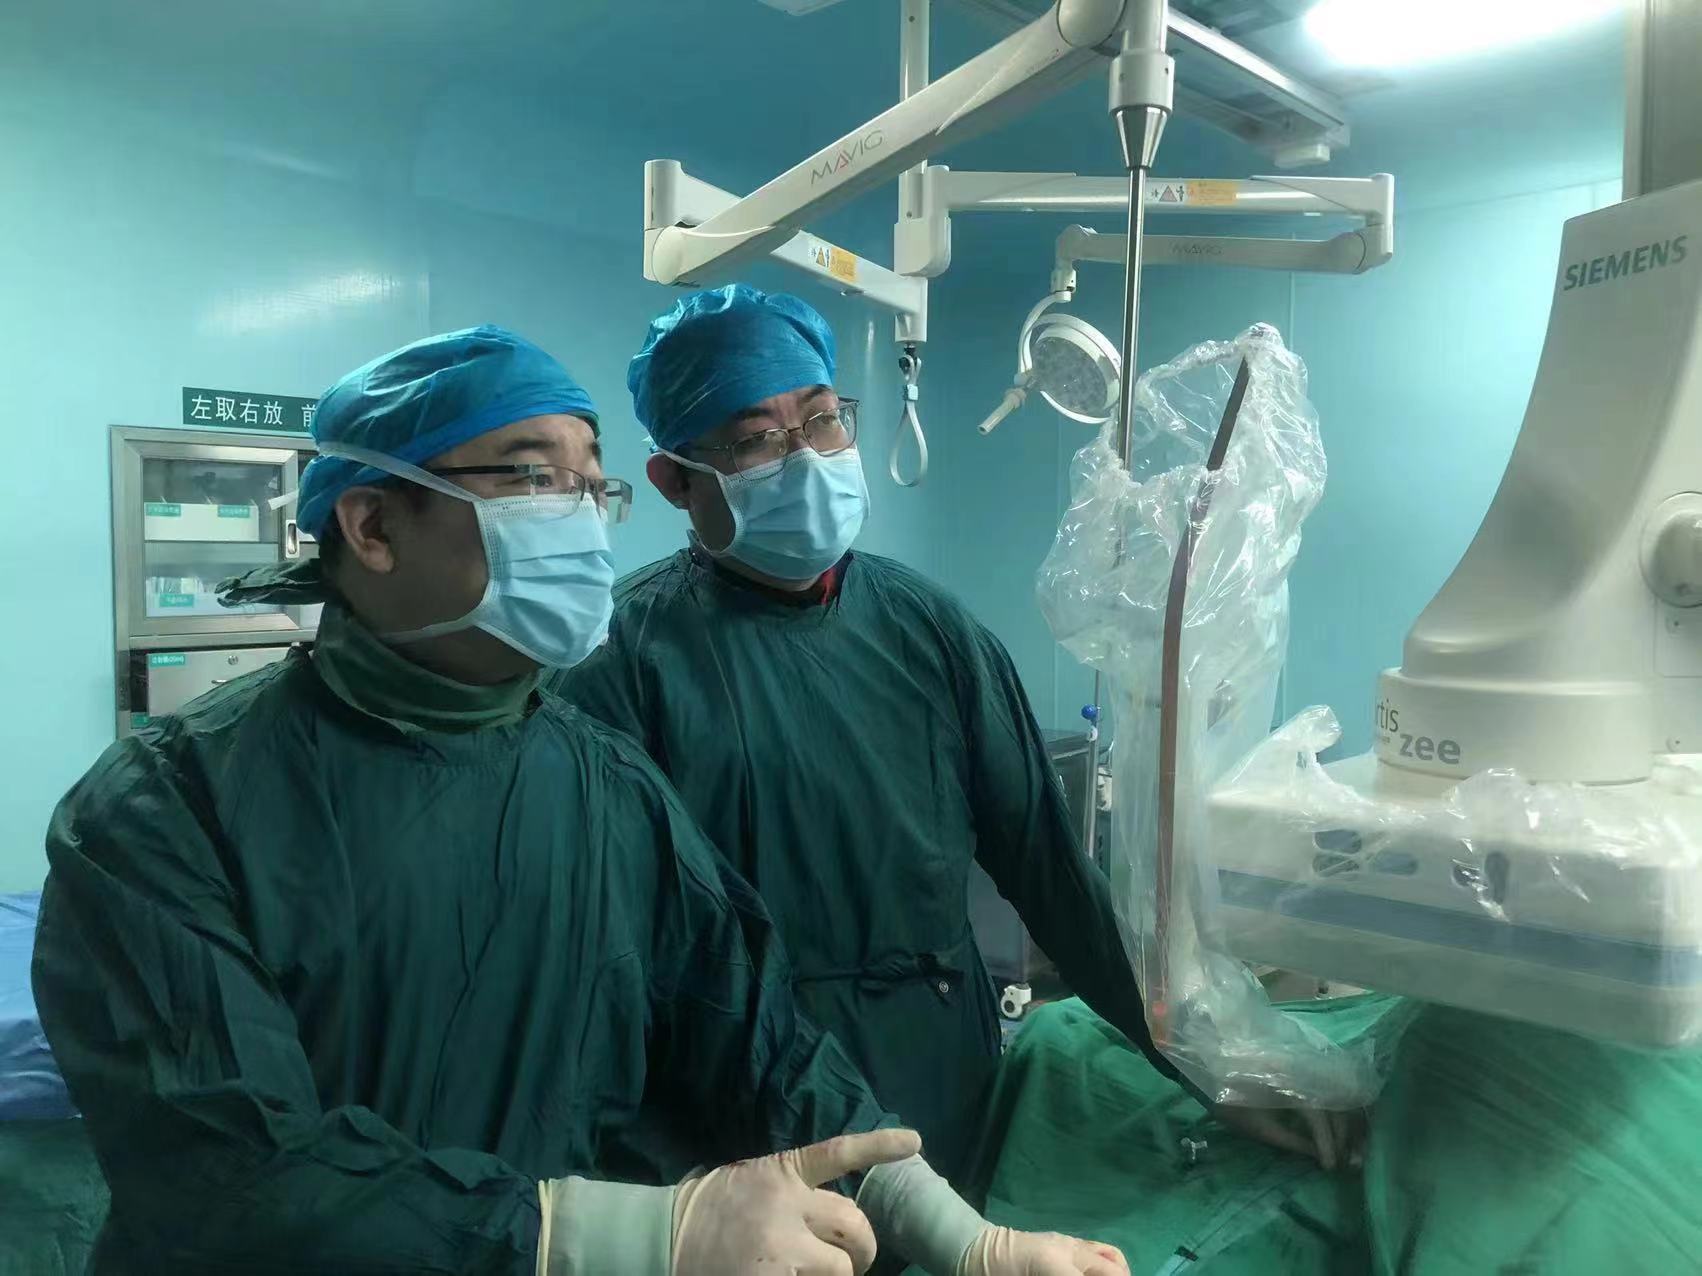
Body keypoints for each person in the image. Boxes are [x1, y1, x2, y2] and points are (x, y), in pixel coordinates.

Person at [32, 325, 1129, 1276]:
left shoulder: (602, 780)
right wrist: (613, 1235)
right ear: (371, 527)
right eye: (531, 477)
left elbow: (758, 1039)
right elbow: (226, 1171)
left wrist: (958, 1235)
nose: (582, 519)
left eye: (589, 483)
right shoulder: (164, 809)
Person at [550, 287, 1357, 1189]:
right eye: (755, 440)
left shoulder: (927, 628)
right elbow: (608, 972)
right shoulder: (618, 670)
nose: (805, 458)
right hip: (743, 1139)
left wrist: (1207, 1064)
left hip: (944, 1089)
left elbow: (1054, 874)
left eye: (822, 420)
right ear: (675, 480)